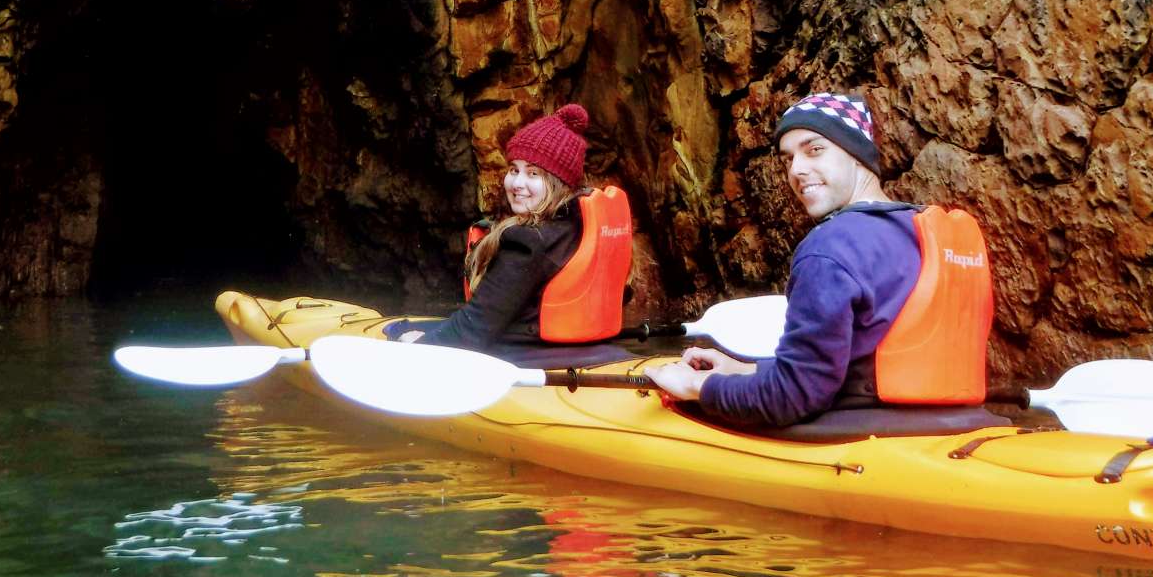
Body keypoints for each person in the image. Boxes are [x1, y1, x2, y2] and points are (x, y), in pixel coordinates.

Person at [646, 92, 926, 428]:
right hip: (932, 424)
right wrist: (742, 369)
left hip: (862, 440)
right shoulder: (921, 227)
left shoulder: (830, 247)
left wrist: (697, 385)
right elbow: (849, 369)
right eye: (788, 158)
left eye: (814, 150)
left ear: (857, 154)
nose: (796, 170)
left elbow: (793, 397)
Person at [384, 104, 595, 356]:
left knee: (398, 333)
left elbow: (471, 333)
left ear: (559, 183)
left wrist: (414, 341)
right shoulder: (575, 223)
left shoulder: (528, 241)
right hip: (561, 346)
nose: (517, 183)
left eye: (534, 173)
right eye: (514, 170)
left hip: (524, 353)